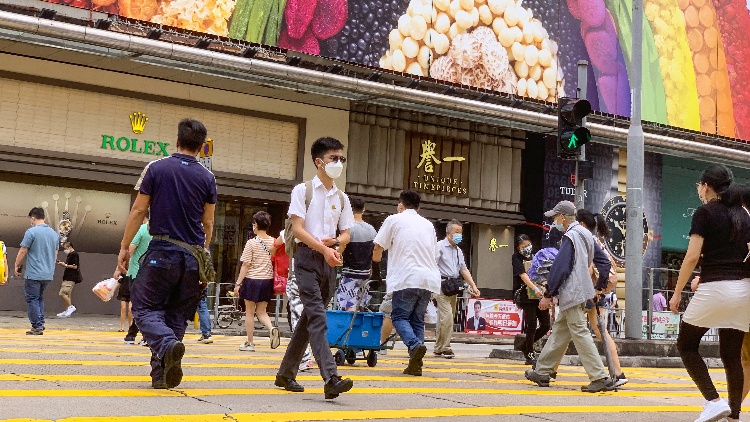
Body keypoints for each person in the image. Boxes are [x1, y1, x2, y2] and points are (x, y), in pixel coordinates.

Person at [115, 118, 216, 389]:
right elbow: (208, 223)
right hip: (192, 256)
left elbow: (138, 211)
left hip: (162, 250)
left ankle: (168, 345)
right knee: (176, 316)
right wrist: (203, 256)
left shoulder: (156, 168)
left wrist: (124, 247)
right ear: (201, 146)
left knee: (145, 307)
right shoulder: (207, 177)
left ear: (177, 141)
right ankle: (160, 375)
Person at [274, 137, 355, 400]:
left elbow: (346, 234)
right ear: (319, 162)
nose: (339, 163)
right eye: (334, 158)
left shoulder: (342, 198)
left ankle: (286, 374)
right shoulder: (303, 190)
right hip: (307, 260)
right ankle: (331, 377)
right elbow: (297, 229)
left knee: (309, 319)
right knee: (318, 317)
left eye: (341, 158)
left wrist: (336, 247)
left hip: (328, 262)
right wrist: (324, 248)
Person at [669, 165, 750, 422]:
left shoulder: (704, 213)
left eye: (699, 186)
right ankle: (734, 415)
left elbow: (692, 256)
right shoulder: (745, 215)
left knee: (686, 345)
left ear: (705, 186)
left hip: (715, 288)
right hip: (744, 292)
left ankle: (713, 401)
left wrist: (677, 291)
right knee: (731, 355)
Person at [524, 200, 615, 393]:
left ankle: (599, 376)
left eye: (556, 217)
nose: (554, 221)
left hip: (572, 292)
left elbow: (560, 268)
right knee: (560, 330)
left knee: (580, 332)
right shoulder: (587, 235)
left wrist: (549, 293)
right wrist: (599, 286)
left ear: (563, 218)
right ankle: (542, 370)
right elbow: (604, 263)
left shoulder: (571, 236)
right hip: (583, 291)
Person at [372, 190, 441, 376]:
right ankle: (415, 364)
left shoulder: (394, 220)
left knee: (399, 317)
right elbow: (435, 254)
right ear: (419, 207)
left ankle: (414, 344)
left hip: (406, 277)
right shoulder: (428, 225)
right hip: (428, 279)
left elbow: (378, 246)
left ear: (400, 203)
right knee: (417, 320)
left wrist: (376, 266)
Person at [234, 211, 280, 352]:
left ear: (255, 225)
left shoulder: (251, 243)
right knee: (262, 311)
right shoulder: (274, 242)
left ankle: (250, 343)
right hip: (267, 281)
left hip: (252, 280)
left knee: (250, 312)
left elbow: (246, 265)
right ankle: (272, 328)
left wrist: (238, 283)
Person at [434, 219, 480, 359]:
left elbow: (463, 269)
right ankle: (446, 347)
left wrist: (473, 285)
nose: (459, 235)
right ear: (448, 233)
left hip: (453, 287)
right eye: (457, 232)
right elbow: (432, 266)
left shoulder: (458, 250)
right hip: (440, 285)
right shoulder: (439, 246)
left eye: (461, 232)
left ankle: (438, 348)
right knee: (446, 316)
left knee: (446, 318)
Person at [274, 231, 315, 372]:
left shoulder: (292, 229)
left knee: (298, 316)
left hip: (297, 274)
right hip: (316, 277)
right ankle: (309, 355)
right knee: (312, 316)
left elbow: (275, 245)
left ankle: (304, 357)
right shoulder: (320, 227)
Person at [14, 207, 59, 335]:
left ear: (33, 218)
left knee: (32, 299)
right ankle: (41, 322)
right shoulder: (54, 234)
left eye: (31, 219)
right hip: (48, 274)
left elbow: (23, 250)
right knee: (39, 298)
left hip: (34, 273)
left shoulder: (31, 232)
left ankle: (37, 326)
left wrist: (16, 264)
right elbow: (55, 254)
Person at [512, 234, 549, 365]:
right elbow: (523, 275)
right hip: (526, 296)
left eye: (528, 245)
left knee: (546, 325)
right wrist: (534, 288)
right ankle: (530, 353)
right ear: (518, 248)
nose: (527, 248)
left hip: (539, 296)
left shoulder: (536, 257)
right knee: (532, 324)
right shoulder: (516, 258)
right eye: (523, 246)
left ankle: (525, 346)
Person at [335, 196, 377, 311]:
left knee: (349, 305)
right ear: (363, 209)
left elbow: (340, 250)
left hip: (350, 273)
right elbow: (374, 253)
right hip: (366, 273)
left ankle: (350, 329)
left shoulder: (348, 229)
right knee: (361, 306)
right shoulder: (372, 230)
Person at [123, 214, 152, 346]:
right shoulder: (164, 231)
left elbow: (131, 248)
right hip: (153, 273)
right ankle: (136, 334)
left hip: (136, 272)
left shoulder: (143, 229)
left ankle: (134, 335)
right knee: (149, 306)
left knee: (137, 306)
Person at [55, 242, 81, 318]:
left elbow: (75, 266)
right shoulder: (70, 255)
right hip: (67, 277)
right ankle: (67, 310)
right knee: (67, 294)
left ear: (70, 247)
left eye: (65, 248)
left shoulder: (74, 254)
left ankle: (70, 307)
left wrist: (65, 265)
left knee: (62, 293)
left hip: (71, 277)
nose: (65, 250)